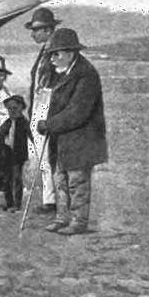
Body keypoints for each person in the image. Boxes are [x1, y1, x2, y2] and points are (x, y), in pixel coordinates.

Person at [36, 28, 108, 236]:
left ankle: (78, 221)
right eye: (51, 55)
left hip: (82, 139)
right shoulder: (62, 72)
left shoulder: (86, 75)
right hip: (62, 139)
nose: (52, 59)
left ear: (70, 53)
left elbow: (78, 112)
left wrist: (49, 125)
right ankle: (62, 218)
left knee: (77, 181)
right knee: (60, 179)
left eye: (56, 54)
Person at [25, 7, 62, 214]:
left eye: (36, 30)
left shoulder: (56, 52)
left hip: (48, 108)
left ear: (48, 30)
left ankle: (52, 200)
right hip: (39, 106)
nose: (33, 34)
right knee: (42, 155)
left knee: (48, 156)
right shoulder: (44, 51)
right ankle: (50, 198)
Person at [0, 95, 30, 212]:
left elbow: (31, 136)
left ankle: (17, 204)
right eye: (9, 108)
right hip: (6, 156)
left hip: (18, 156)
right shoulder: (6, 123)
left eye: (15, 108)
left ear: (21, 108)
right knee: (7, 180)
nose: (12, 111)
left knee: (17, 179)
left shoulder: (24, 123)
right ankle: (9, 203)